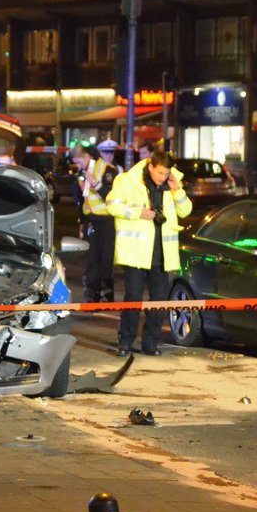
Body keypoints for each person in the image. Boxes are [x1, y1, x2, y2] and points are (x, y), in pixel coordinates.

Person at [106, 150, 193, 357]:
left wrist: (177, 191)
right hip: (136, 253)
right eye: (160, 173)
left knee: (159, 300)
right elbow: (111, 205)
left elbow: (185, 211)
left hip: (162, 254)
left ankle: (150, 344)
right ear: (151, 166)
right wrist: (139, 213)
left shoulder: (172, 184)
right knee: (133, 298)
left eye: (166, 173)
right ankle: (125, 342)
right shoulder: (128, 181)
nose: (163, 177)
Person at [71, 143, 119, 303]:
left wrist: (96, 184)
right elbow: (82, 200)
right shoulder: (81, 173)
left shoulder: (107, 170)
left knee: (106, 260)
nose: (77, 165)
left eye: (79, 161)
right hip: (91, 220)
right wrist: (82, 223)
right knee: (91, 260)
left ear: (86, 157)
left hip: (107, 220)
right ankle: (91, 295)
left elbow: (112, 197)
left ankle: (106, 295)